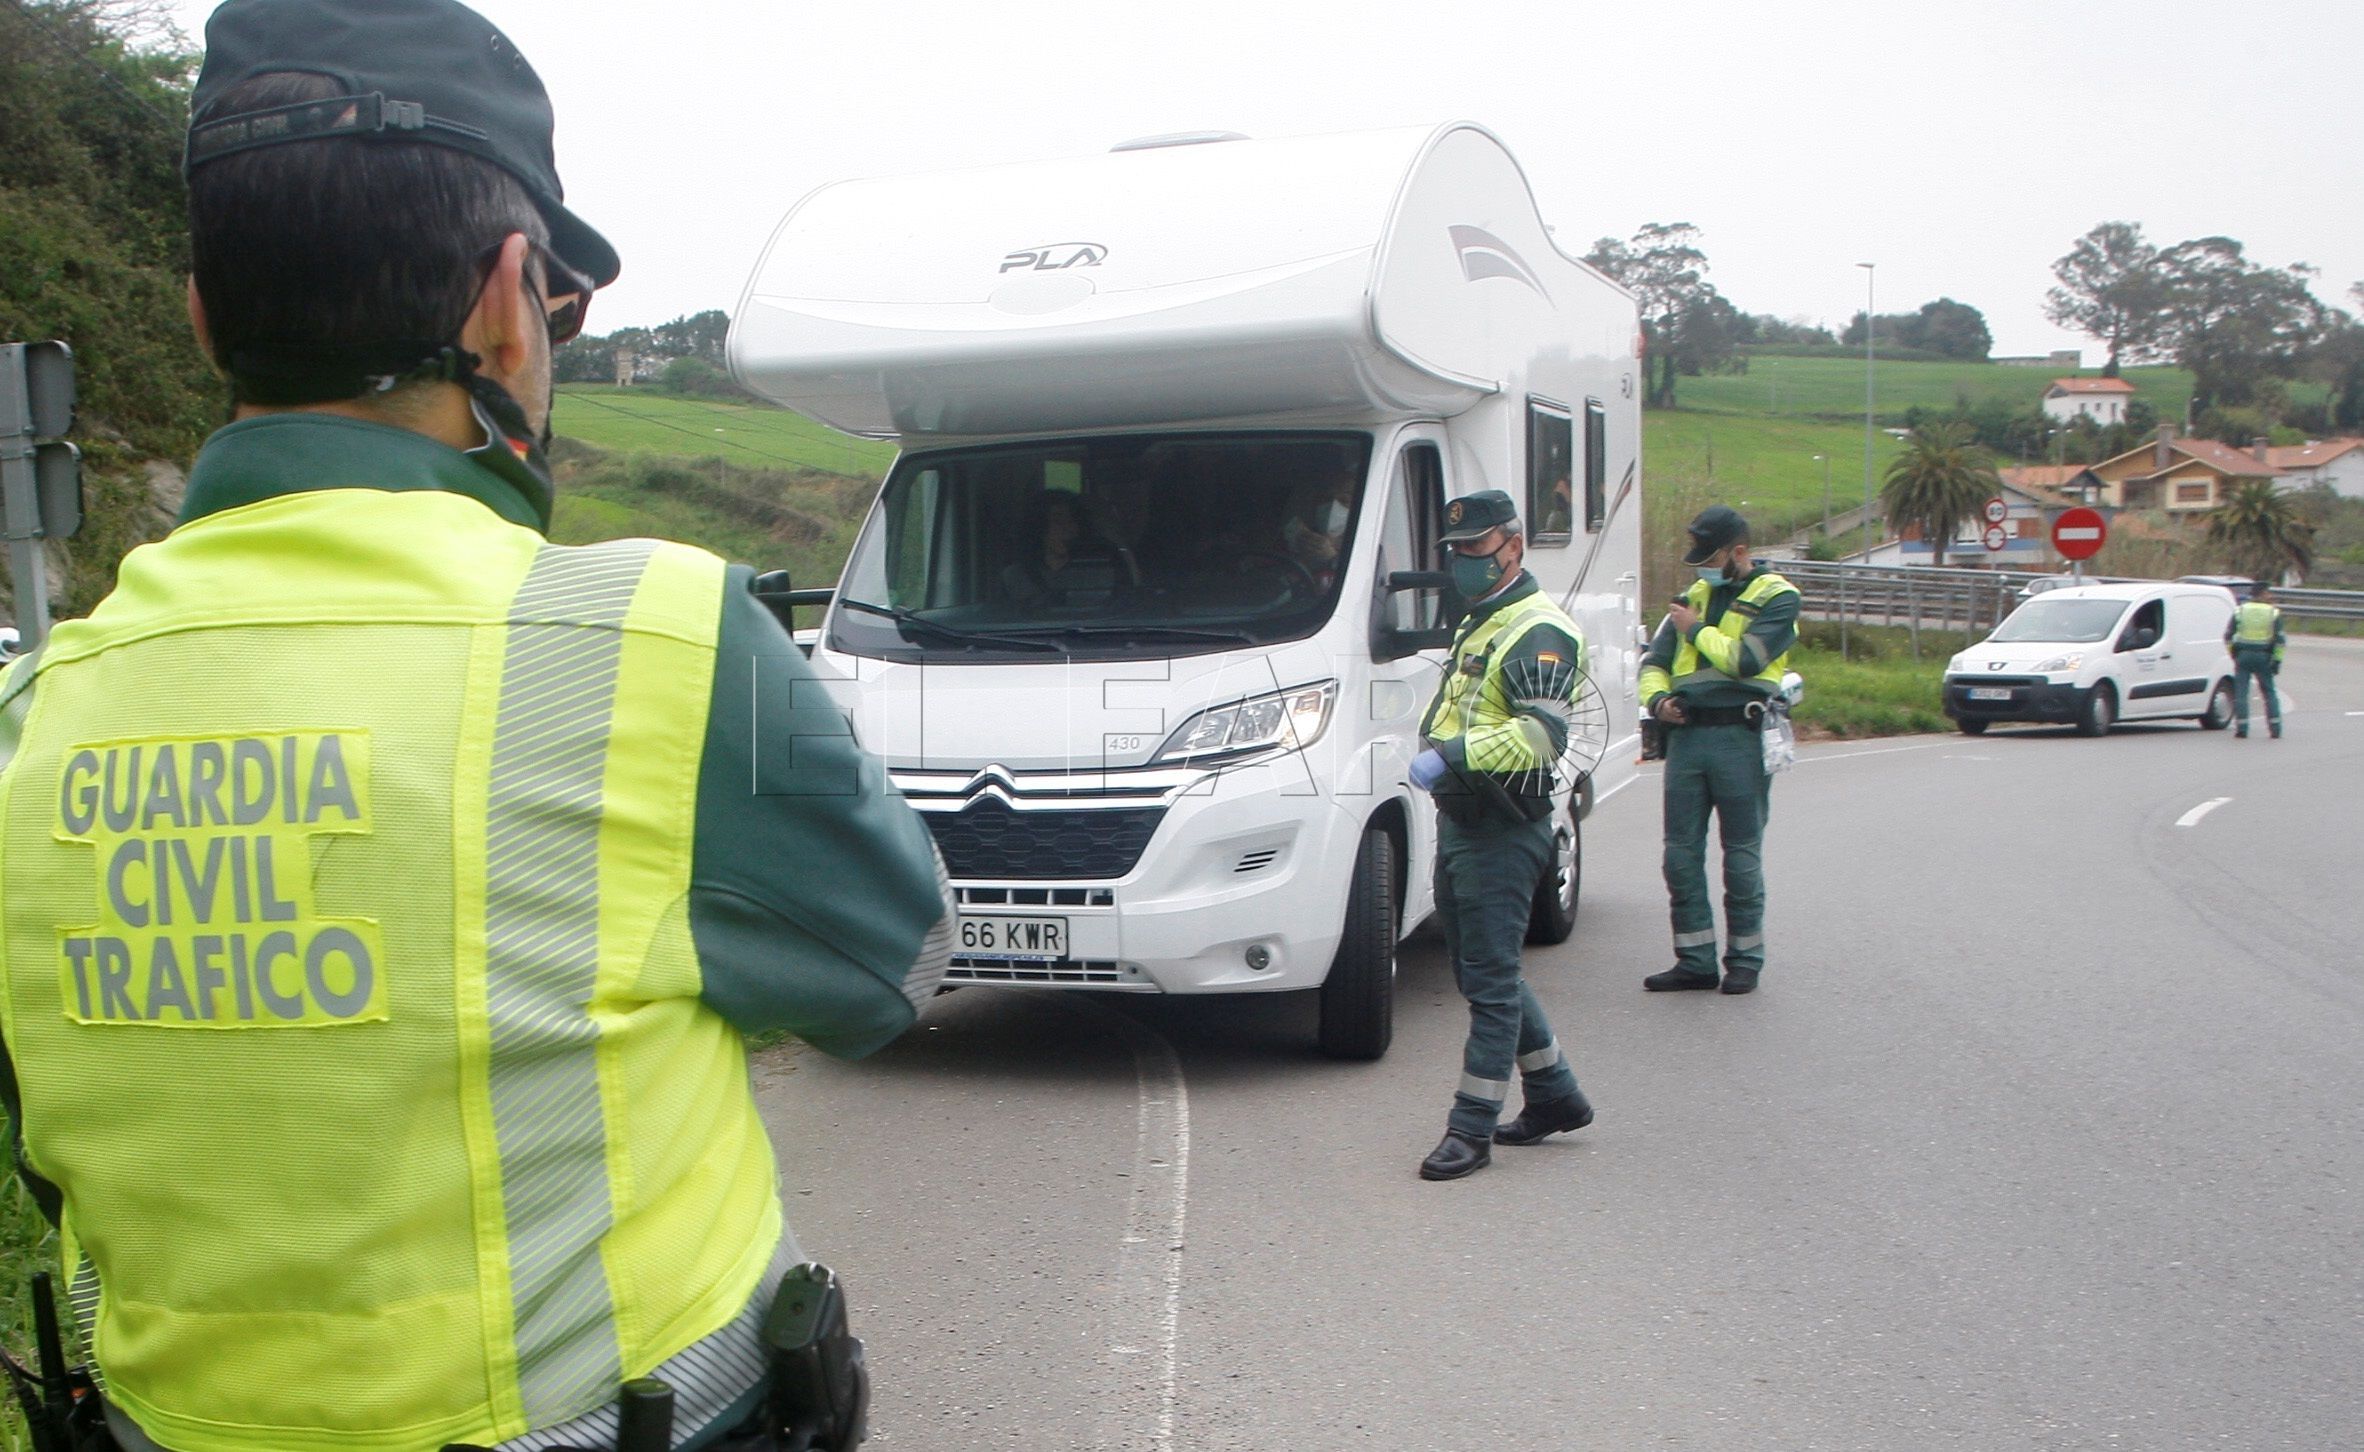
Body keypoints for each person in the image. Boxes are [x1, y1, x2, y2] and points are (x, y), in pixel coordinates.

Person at [0, 3, 952, 1449]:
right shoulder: (660, 643)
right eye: (562, 312)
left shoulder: (30, 715)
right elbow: (895, 968)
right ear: (510, 301)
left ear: (201, 318)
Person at [1406, 490, 1592, 1181]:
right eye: (1454, 551)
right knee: (1487, 972)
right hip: (1464, 821)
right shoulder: (1484, 622)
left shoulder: (1539, 630)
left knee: (1488, 985)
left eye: (1476, 549)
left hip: (1502, 828)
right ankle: (1556, 1096)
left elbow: (1542, 737)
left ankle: (1470, 1129)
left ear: (1513, 547)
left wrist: (1450, 756)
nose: (1462, 562)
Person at [1636, 505, 1801, 996]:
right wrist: (1658, 701)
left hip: (1740, 738)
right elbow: (1652, 662)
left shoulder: (1778, 597)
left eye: (1712, 558)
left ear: (1740, 552)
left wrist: (1694, 629)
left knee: (1741, 856)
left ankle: (1745, 959)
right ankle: (1695, 960)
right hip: (1686, 738)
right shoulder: (1695, 596)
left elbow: (1746, 659)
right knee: (1679, 856)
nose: (1703, 568)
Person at [1278, 448, 1357, 587]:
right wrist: (1302, 559)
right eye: (1326, 499)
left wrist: (1333, 559)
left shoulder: (1367, 544)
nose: (1333, 508)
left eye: (1344, 501)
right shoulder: (1296, 541)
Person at [2225, 580, 2286, 739]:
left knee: (2241, 693)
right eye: (2268, 592)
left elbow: (2228, 636)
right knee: (2269, 693)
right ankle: (2275, 728)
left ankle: (2242, 728)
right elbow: (2280, 641)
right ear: (2262, 594)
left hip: (2243, 655)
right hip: (2264, 656)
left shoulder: (2240, 611)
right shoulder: (2273, 613)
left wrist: (2233, 654)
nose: (2271, 595)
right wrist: (2277, 661)